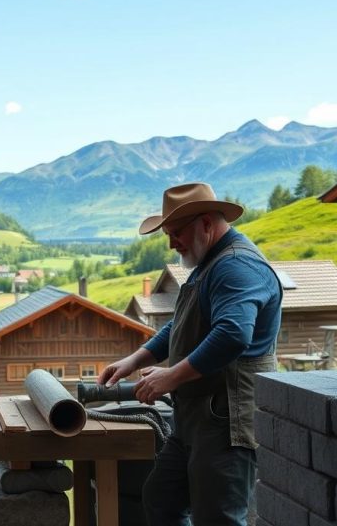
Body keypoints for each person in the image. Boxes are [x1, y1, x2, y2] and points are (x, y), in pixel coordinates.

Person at [99, 182, 281, 526]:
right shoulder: (209, 263)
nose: (171, 243)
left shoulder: (236, 267)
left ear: (207, 224)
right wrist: (135, 360)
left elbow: (232, 335)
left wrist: (170, 376)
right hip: (195, 418)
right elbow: (182, 326)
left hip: (226, 419)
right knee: (162, 500)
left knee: (219, 518)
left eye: (177, 232)